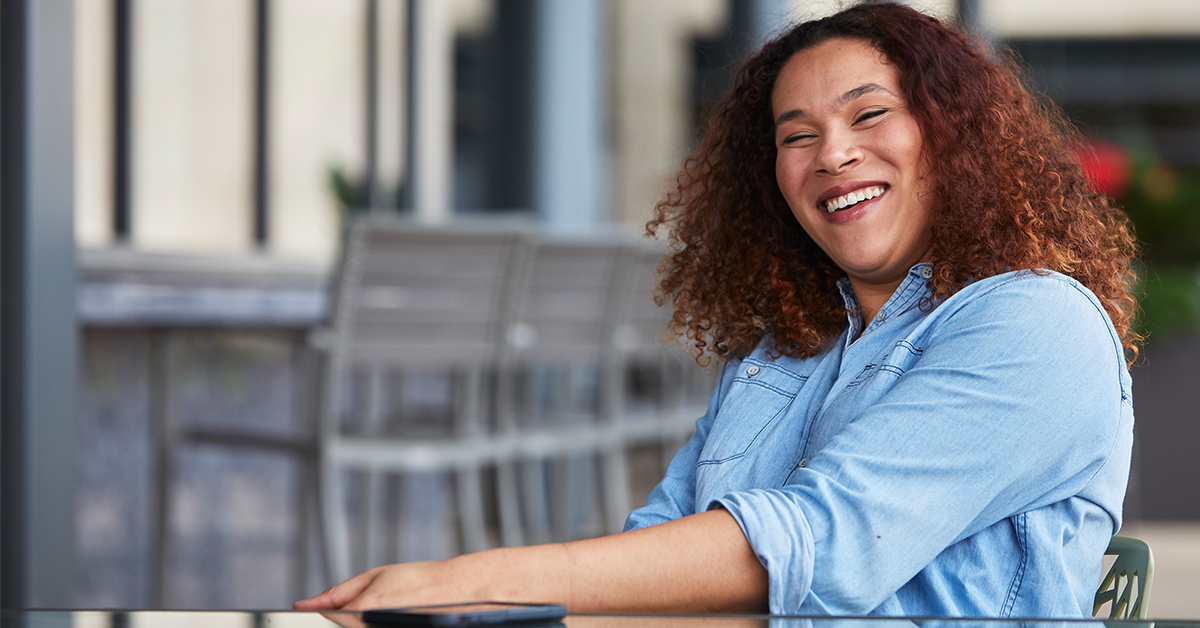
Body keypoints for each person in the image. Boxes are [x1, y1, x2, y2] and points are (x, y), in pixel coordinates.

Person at [295, 2, 1138, 617]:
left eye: (869, 114)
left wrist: (471, 578)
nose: (833, 154)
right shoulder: (786, 353)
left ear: (953, 137)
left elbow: (820, 540)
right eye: (796, 135)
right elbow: (668, 538)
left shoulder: (1036, 325)